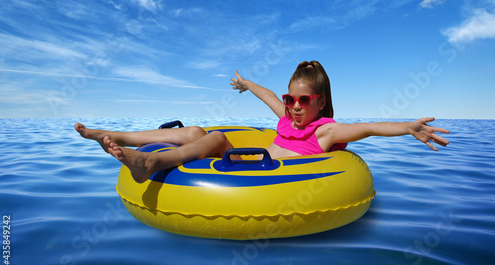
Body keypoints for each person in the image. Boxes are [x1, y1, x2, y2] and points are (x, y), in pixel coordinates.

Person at [75, 61, 449, 183]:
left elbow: (370, 127)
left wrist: (407, 127)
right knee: (192, 131)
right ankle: (109, 135)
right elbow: (269, 94)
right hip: (254, 158)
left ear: (321, 103)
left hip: (265, 173)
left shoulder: (325, 131)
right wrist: (245, 83)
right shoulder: (287, 116)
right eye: (291, 100)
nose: (294, 107)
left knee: (218, 138)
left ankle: (151, 162)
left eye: (304, 101)